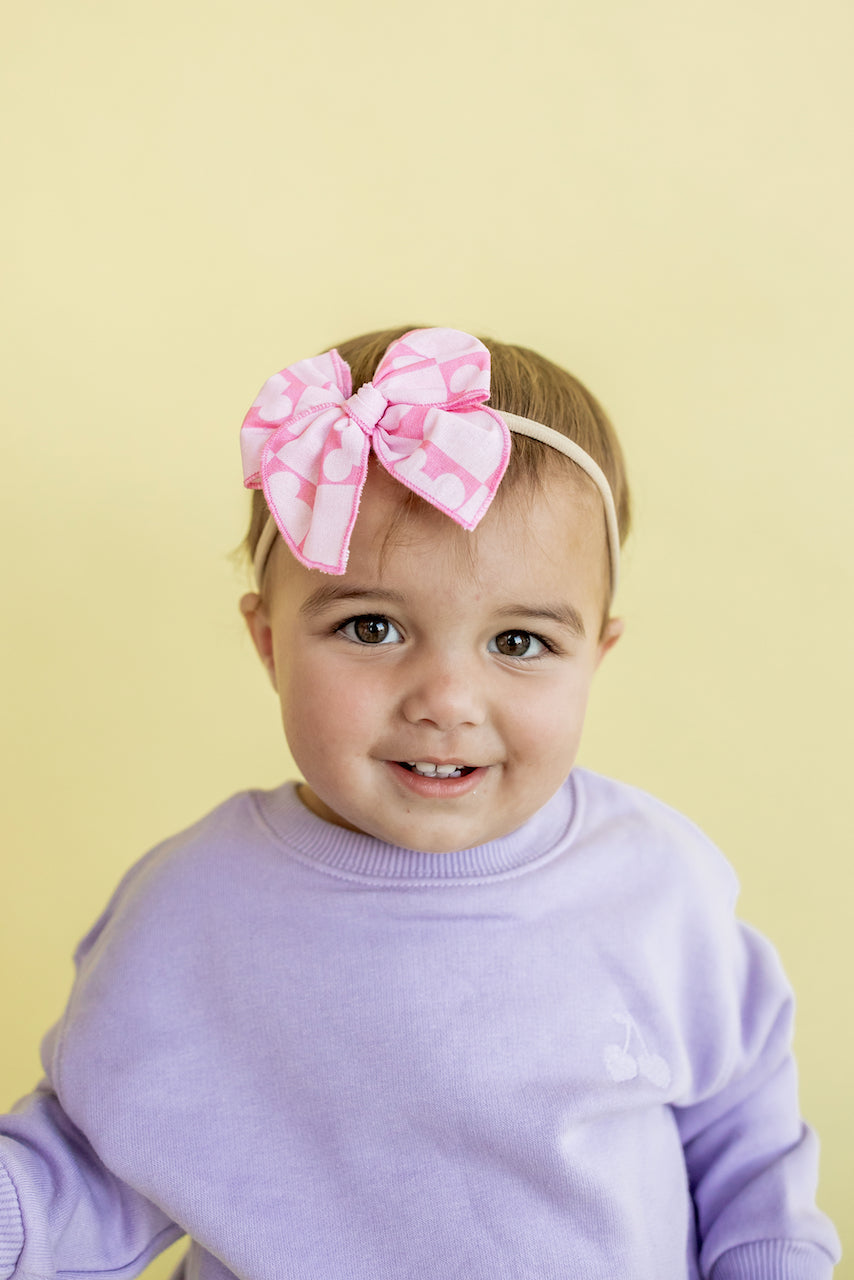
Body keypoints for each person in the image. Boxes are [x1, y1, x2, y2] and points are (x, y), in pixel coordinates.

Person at [0, 326, 840, 1280]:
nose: (445, 700)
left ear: (595, 657)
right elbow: (90, 1170)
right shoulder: (193, 911)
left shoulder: (656, 885)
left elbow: (747, 1154)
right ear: (269, 641)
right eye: (372, 626)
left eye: (519, 643)